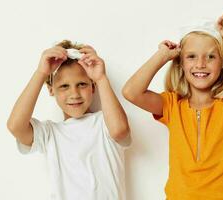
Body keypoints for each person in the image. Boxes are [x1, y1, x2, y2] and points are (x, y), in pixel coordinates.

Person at [122, 12, 223, 200]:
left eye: (211, 57)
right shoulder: (172, 106)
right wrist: (162, 55)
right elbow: (131, 92)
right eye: (191, 56)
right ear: (180, 63)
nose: (200, 64)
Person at [7, 40, 131, 200]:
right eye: (64, 86)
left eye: (82, 84)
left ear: (93, 87)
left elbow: (120, 131)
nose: (75, 94)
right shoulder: (49, 134)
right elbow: (15, 126)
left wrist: (101, 78)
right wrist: (41, 73)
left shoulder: (105, 122)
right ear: (51, 90)